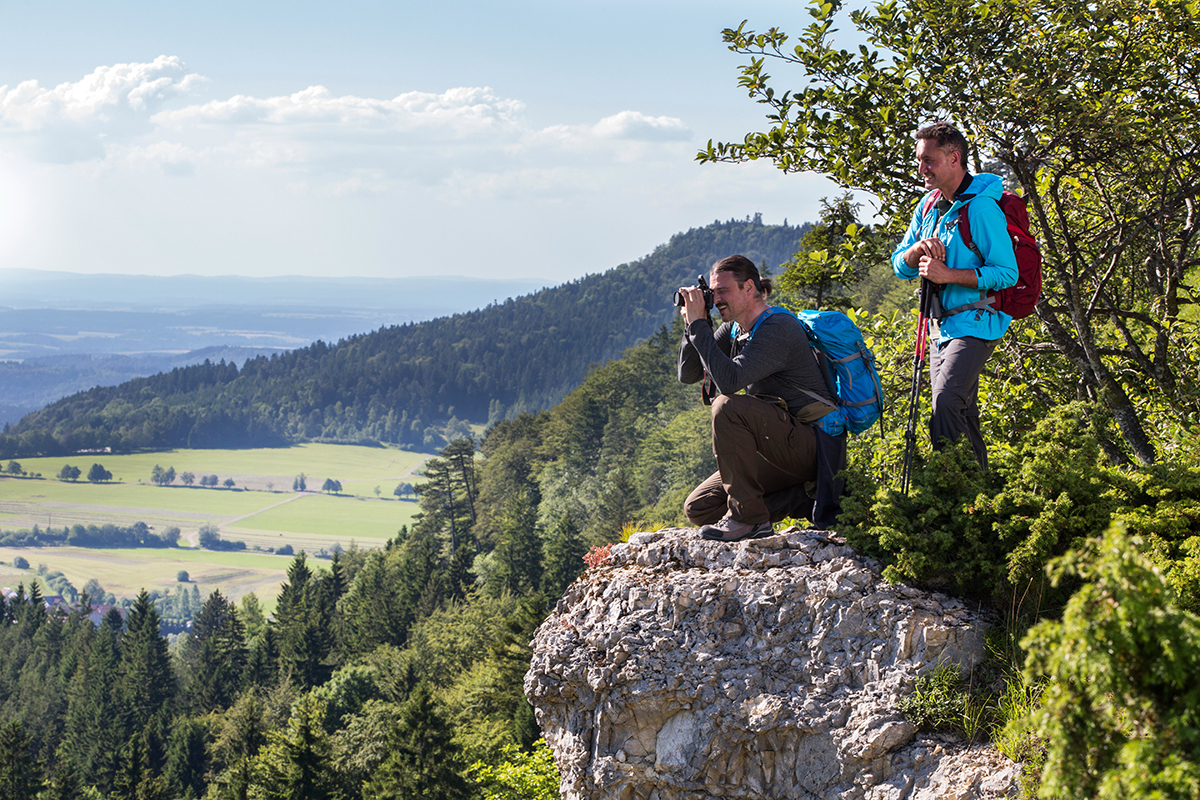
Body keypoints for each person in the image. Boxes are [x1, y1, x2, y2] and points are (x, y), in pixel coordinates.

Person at [677, 255, 837, 541]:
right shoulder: (735, 330)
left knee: (726, 406)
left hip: (814, 445)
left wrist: (701, 326)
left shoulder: (778, 328)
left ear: (748, 288)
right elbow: (688, 374)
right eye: (713, 293)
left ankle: (749, 519)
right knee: (700, 508)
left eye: (723, 291)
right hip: (777, 445)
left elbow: (729, 382)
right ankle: (805, 498)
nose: (717, 299)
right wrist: (692, 325)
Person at [892, 121, 1018, 470]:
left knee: (945, 404)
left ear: (954, 158)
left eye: (929, 160)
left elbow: (1007, 273)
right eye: (920, 160)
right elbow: (899, 266)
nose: (922, 169)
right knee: (962, 411)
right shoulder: (929, 206)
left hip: (977, 321)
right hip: (939, 328)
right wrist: (917, 250)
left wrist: (948, 275)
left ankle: (950, 489)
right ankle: (981, 494)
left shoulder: (981, 209)